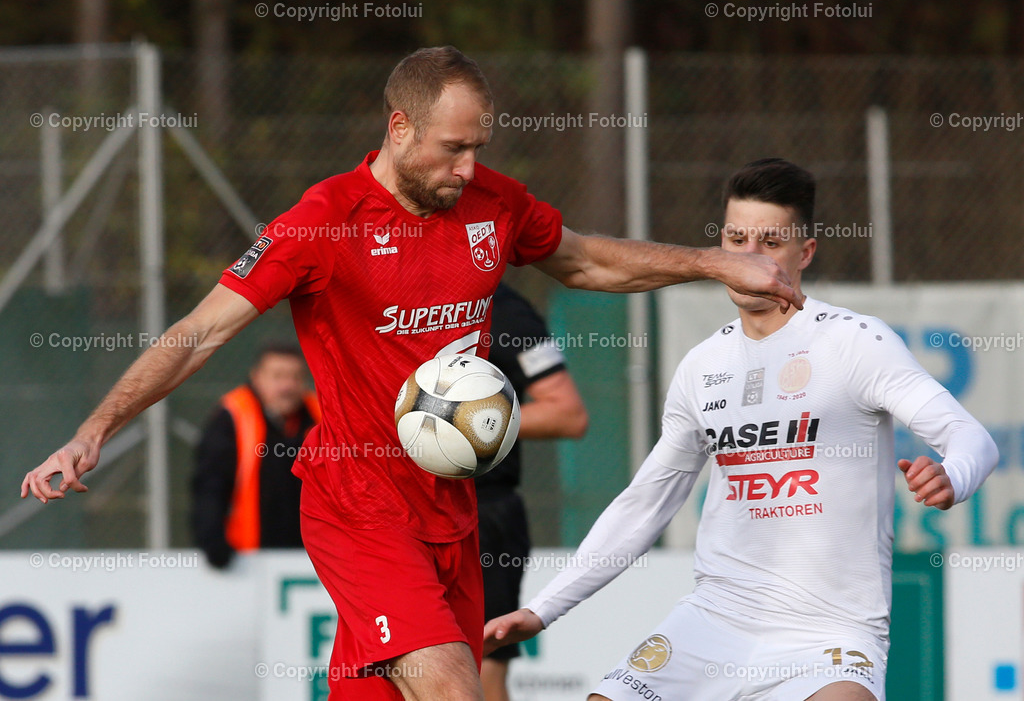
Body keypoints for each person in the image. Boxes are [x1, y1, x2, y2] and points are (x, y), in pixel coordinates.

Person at [20, 47, 802, 701]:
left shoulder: (493, 204)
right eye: (453, 148)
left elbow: (587, 261)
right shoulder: (323, 221)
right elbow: (197, 333)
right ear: (399, 127)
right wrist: (94, 430)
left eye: (479, 148)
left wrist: (712, 262)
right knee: (456, 686)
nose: (468, 167)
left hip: (453, 508)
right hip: (356, 502)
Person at [484, 158, 998, 701]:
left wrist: (953, 475)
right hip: (713, 621)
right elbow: (645, 503)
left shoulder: (854, 342)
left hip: (829, 635)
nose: (749, 257)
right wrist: (543, 609)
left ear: (806, 252)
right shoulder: (703, 365)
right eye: (736, 239)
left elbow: (973, 440)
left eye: (770, 242)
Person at [479, 283, 588, 701]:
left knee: (480, 665)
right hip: (390, 512)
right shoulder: (377, 295)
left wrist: (466, 422)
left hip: (480, 514)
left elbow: (568, 413)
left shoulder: (503, 309)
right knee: (392, 665)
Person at [191, 342, 320, 569]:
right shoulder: (233, 415)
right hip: (247, 558)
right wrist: (212, 540)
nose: (288, 386)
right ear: (257, 378)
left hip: (314, 557)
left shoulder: (320, 414)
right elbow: (210, 484)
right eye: (278, 376)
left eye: (296, 377)